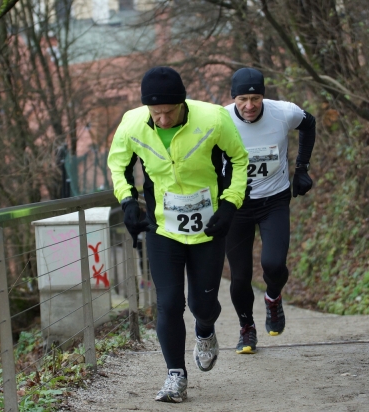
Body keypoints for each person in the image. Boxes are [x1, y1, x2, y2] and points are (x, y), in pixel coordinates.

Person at [107, 66, 249, 402]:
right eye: (155, 113)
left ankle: (205, 331)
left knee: (203, 305)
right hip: (163, 227)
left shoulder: (213, 118)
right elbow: (118, 165)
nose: (162, 119)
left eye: (169, 111)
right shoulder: (132, 123)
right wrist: (128, 201)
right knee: (169, 303)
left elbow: (239, 160)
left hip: (208, 226)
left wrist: (230, 205)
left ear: (182, 103)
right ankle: (175, 376)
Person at [223, 67, 316, 354]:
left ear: (263, 96)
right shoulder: (221, 120)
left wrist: (302, 168)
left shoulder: (283, 112)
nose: (249, 106)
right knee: (240, 276)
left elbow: (309, 124)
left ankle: (273, 298)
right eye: (242, 99)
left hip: (274, 201)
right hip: (236, 205)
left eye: (255, 98)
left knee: (274, 264)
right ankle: (246, 328)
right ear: (233, 98)